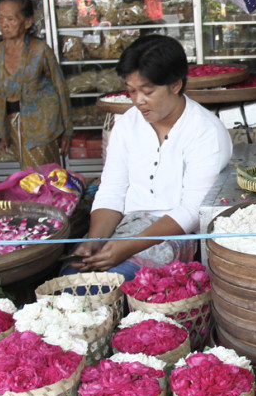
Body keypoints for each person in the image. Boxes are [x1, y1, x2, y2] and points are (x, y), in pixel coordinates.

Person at [67, 34, 232, 279]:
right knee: (72, 276)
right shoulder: (126, 125)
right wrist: (96, 241)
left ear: (175, 85)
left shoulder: (205, 131)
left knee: (116, 280)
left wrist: (131, 246)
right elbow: (112, 190)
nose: (138, 101)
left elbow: (191, 210)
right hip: (126, 226)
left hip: (176, 233)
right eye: (131, 91)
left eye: (147, 91)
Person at [0, 0, 73, 169]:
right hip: (15, 127)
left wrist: (67, 130)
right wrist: (3, 133)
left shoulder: (41, 50)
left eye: (11, 19)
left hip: (43, 126)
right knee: (26, 178)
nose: (4, 24)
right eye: (0, 18)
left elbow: (61, 89)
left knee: (45, 178)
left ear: (27, 22)